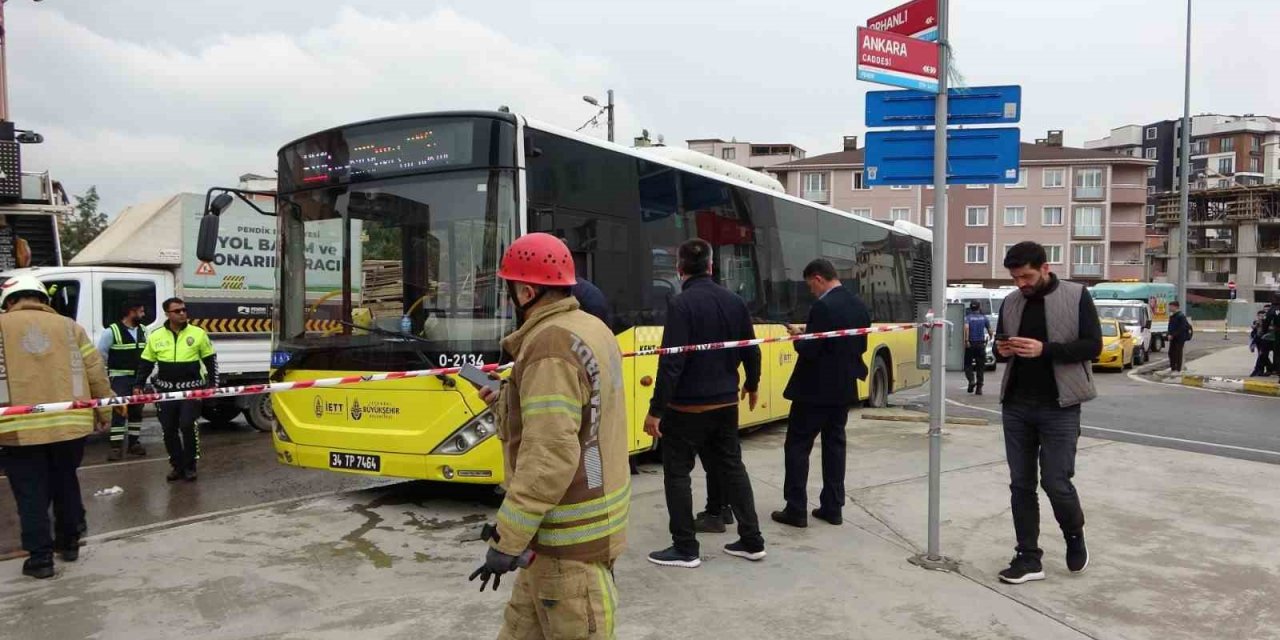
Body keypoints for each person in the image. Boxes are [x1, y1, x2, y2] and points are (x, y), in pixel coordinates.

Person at [467, 232, 627, 639]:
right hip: (561, 541)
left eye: (509, 290)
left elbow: (549, 455)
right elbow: (580, 416)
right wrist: (507, 399)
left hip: (567, 551)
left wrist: (506, 541)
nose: (508, 301)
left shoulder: (549, 346)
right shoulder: (590, 327)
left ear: (526, 291)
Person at [644, 238, 766, 568]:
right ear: (711, 266)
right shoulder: (735, 301)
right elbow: (751, 349)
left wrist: (656, 410)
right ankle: (752, 540)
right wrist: (752, 384)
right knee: (733, 467)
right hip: (726, 403)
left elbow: (672, 361)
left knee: (677, 474)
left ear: (679, 268)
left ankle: (685, 547)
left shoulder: (680, 304)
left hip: (686, 408)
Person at [992, 242, 1102, 585]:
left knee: (1056, 481)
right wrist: (1002, 349)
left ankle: (1074, 535)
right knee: (1020, 484)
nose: (1020, 283)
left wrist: (1045, 350)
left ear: (1045, 268)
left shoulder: (1076, 295)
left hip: (1060, 405)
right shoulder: (1011, 302)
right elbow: (999, 348)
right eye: (1015, 278)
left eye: (1026, 276)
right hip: (1016, 405)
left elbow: (1093, 346)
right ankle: (1028, 557)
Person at [0, 274, 113, 579]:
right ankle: (70, 544)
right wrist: (105, 410)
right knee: (65, 482)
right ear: (42, 299)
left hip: (17, 429)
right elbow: (95, 371)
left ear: (9, 300)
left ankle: (41, 560)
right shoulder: (70, 327)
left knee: (31, 493)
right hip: (70, 425)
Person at [771, 258, 870, 528]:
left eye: (810, 285)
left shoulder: (822, 306)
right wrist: (810, 332)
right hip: (843, 388)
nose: (811, 291)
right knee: (834, 446)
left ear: (818, 278)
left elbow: (812, 349)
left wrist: (798, 338)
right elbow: (857, 344)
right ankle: (833, 507)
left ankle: (795, 509)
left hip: (813, 390)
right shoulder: (858, 305)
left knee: (797, 446)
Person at [134, 298, 217, 482]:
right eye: (177, 311)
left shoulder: (198, 333)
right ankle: (177, 466)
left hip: (191, 390)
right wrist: (138, 384)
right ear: (167, 314)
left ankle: (190, 466)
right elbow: (146, 362)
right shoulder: (156, 335)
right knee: (168, 429)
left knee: (187, 426)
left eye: (184, 310)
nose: (182, 313)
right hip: (165, 391)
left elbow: (211, 360)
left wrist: (213, 385)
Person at [97, 300, 149, 461]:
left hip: (139, 378)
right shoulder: (111, 331)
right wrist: (105, 377)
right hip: (120, 378)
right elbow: (101, 355)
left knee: (136, 411)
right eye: (141, 311)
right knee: (119, 411)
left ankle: (134, 444)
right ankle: (115, 447)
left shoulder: (144, 330)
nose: (143, 315)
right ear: (131, 311)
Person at [963, 300, 993, 395]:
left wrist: (966, 340)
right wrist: (991, 337)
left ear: (971, 308)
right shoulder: (984, 318)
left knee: (968, 364)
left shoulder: (967, 318)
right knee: (980, 366)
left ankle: (971, 380)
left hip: (970, 344)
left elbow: (966, 328)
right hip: (981, 344)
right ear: (979, 307)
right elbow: (990, 330)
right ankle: (979, 388)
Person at [1167, 301, 1192, 373]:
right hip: (1173, 338)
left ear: (1176, 307)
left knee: (1178, 353)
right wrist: (1169, 334)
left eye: (1171, 306)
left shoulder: (1181, 316)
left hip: (1179, 338)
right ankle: (1173, 368)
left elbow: (1182, 328)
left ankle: (1178, 369)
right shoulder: (1173, 316)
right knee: (1171, 353)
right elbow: (1170, 327)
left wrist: (1173, 335)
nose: (1169, 308)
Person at [1249, 309, 1272, 377]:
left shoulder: (1267, 322)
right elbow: (1253, 331)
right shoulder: (1256, 322)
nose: (1261, 317)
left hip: (1266, 340)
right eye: (1260, 316)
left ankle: (1263, 369)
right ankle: (1263, 370)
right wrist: (1252, 344)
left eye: (1262, 316)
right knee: (1262, 356)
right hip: (1259, 340)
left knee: (1262, 355)